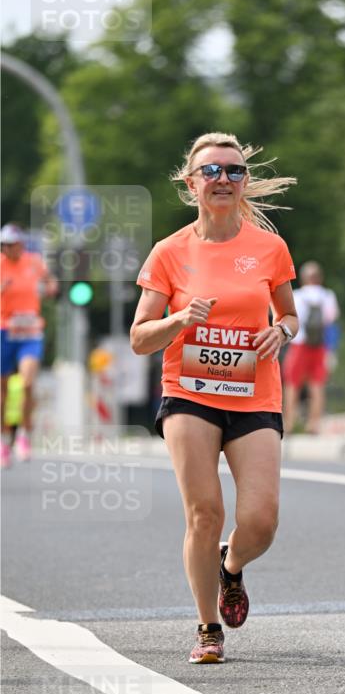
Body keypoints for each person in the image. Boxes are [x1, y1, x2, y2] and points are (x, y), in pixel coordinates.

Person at [130, 132, 298, 664]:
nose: (223, 179)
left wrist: (283, 331)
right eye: (212, 171)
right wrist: (179, 319)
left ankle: (230, 567)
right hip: (189, 393)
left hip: (254, 393)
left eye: (234, 171)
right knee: (204, 512)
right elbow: (139, 338)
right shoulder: (170, 253)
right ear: (191, 182)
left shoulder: (269, 248)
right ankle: (207, 627)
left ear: (245, 183)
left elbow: (289, 313)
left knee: (262, 520)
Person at [1, 223, 58, 467]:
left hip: (30, 331)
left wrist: (49, 288)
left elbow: (51, 282)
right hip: (4, 331)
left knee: (27, 382)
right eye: (4, 245)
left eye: (12, 244)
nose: (8, 249)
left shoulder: (33, 262)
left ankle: (23, 435)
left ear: (21, 244)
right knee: (2, 390)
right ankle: (4, 440)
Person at [282, 261, 339, 434]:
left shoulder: (297, 296)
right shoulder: (328, 296)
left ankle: (290, 422)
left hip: (299, 345)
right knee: (317, 384)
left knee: (292, 382)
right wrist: (332, 349)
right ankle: (314, 424)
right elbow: (331, 321)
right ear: (320, 278)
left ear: (304, 278)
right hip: (319, 346)